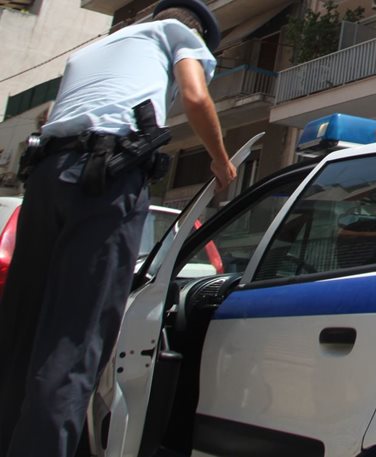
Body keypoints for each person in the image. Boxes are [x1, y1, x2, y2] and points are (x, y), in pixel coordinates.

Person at [0, 0, 236, 455]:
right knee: (75, 338)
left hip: (45, 177)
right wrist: (221, 162)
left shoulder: (92, 51)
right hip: (106, 180)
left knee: (20, 334)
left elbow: (55, 118)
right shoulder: (178, 35)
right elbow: (194, 97)